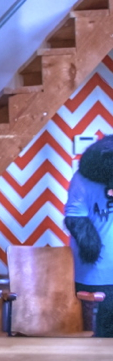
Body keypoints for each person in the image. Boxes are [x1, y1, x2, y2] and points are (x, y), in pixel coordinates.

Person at [64, 134, 113, 337]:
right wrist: (91, 248)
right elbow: (75, 218)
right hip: (94, 273)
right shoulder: (82, 179)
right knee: (96, 334)